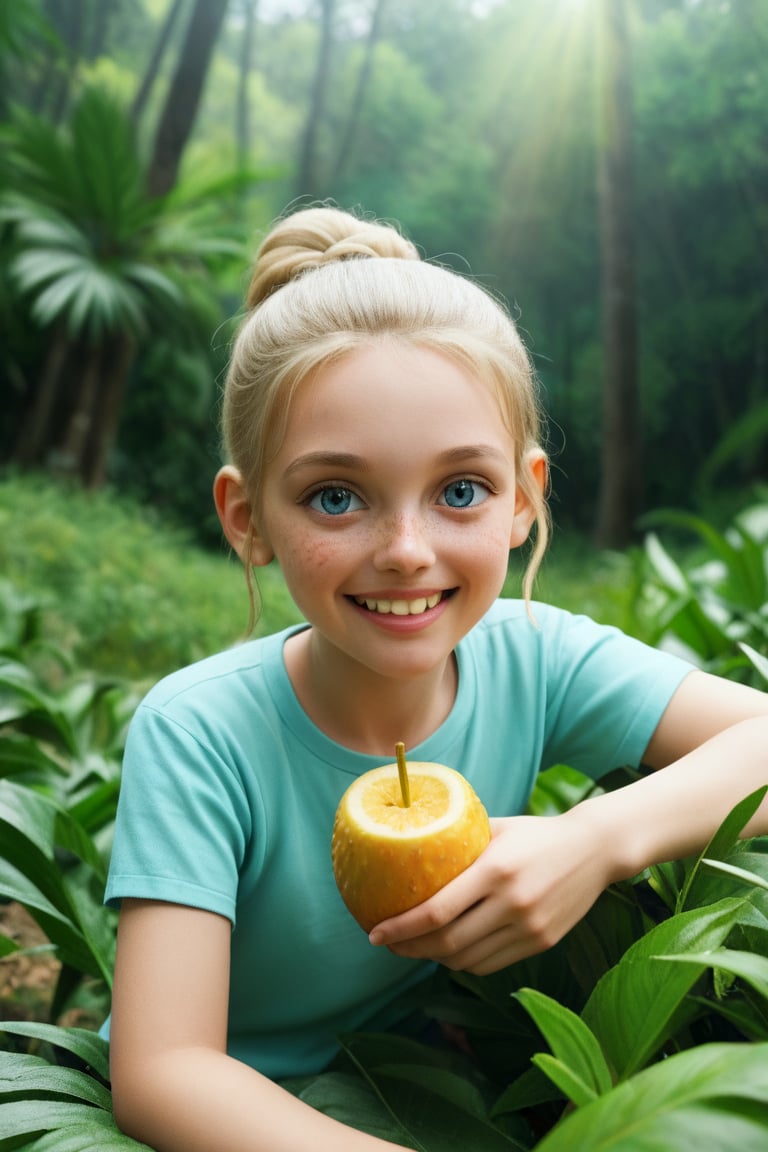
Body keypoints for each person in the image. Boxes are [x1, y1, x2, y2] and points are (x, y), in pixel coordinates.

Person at [105, 205, 768, 1152]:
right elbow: (165, 1073)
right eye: (336, 496)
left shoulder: (534, 658)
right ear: (246, 516)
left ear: (524, 499)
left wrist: (596, 841)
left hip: (424, 1086)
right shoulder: (199, 732)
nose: (407, 553)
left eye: (461, 491)